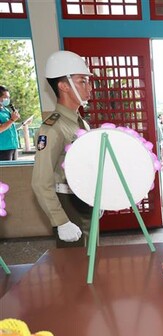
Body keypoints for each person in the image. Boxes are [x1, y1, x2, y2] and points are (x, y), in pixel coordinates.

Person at [32, 50, 94, 248]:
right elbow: (41, 181)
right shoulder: (52, 127)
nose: (89, 87)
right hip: (67, 204)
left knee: (92, 261)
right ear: (63, 86)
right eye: (82, 81)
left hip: (84, 201)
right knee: (74, 268)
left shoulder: (80, 122)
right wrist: (61, 220)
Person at [0, 86, 21, 161]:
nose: (8, 100)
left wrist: (23, 123)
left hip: (13, 146)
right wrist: (12, 119)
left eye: (8, 97)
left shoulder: (6, 110)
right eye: (5, 97)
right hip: (3, 149)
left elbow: (10, 126)